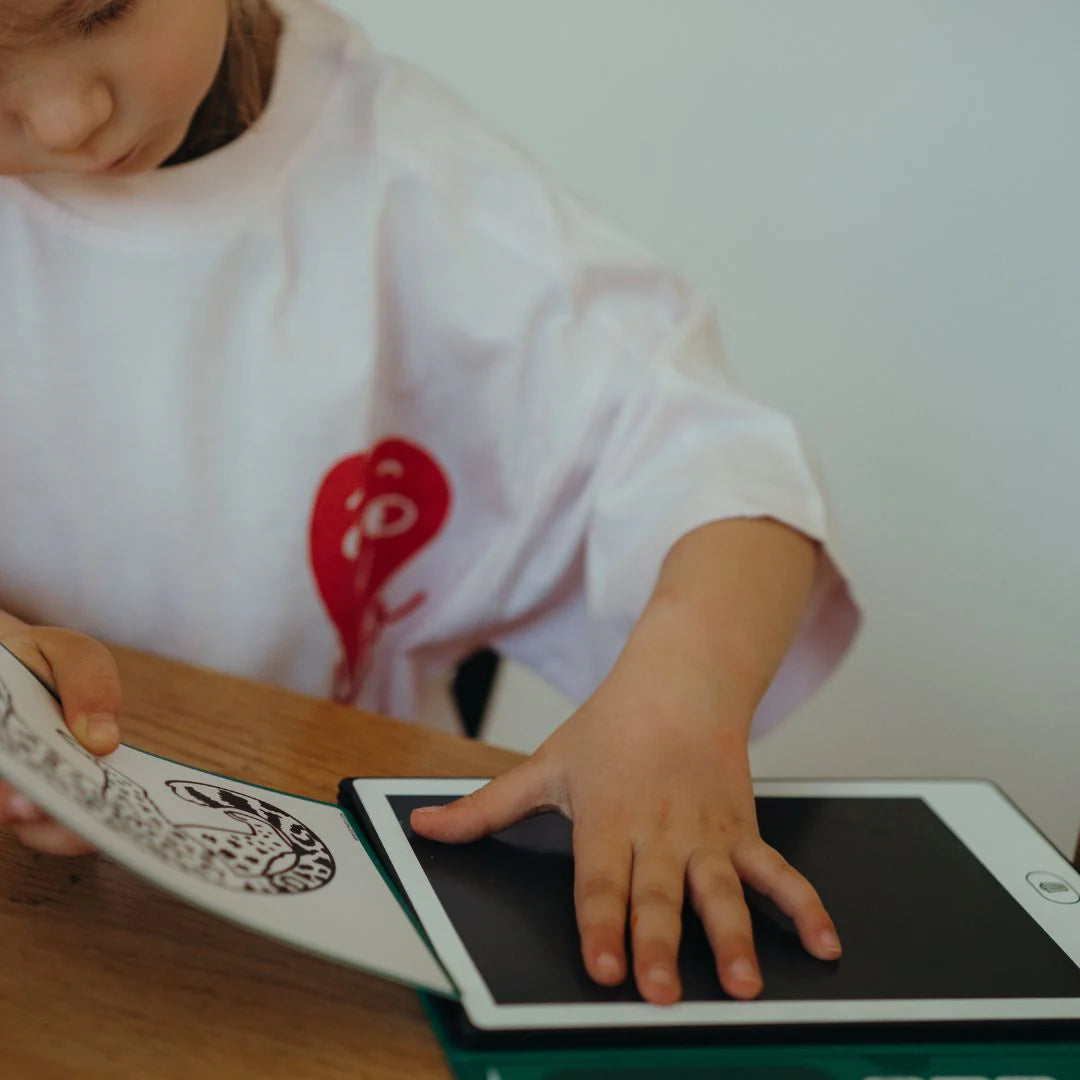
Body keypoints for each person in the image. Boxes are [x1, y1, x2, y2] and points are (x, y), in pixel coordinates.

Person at [0, 0, 859, 1005]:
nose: (68, 115)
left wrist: (680, 701)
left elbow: (718, 462)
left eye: (103, 10)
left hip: (333, 874)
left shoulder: (412, 188)